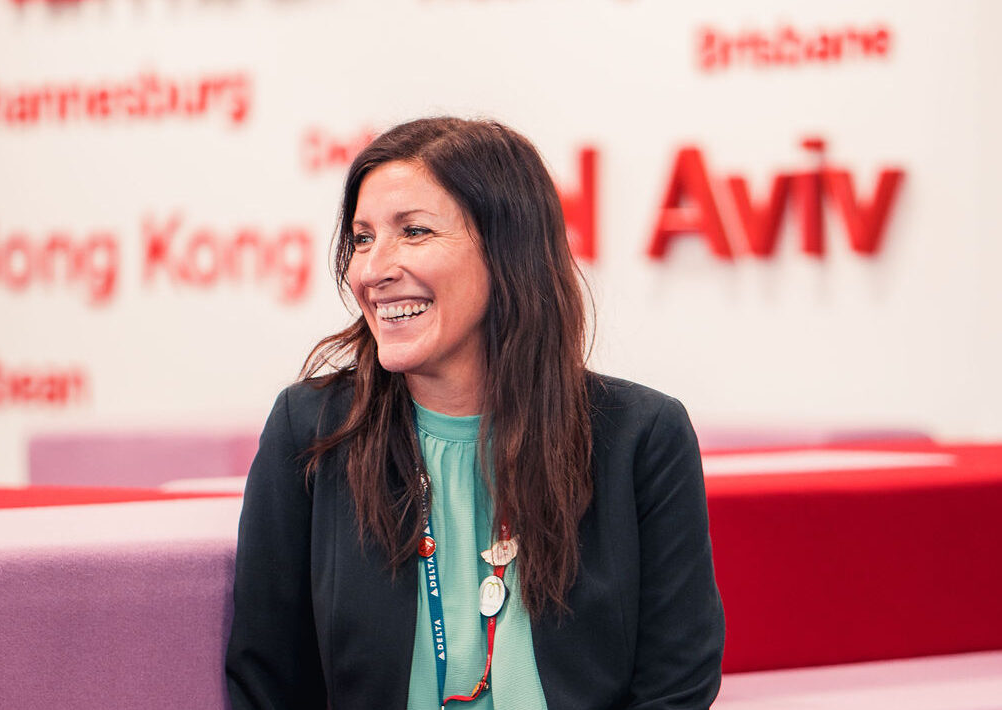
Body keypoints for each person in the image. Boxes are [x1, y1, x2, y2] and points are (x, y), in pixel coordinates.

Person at [225, 117, 724, 709]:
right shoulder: (311, 429)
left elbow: (677, 685)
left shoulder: (641, 437)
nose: (372, 270)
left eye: (413, 231)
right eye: (361, 239)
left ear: (506, 248)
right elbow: (268, 683)